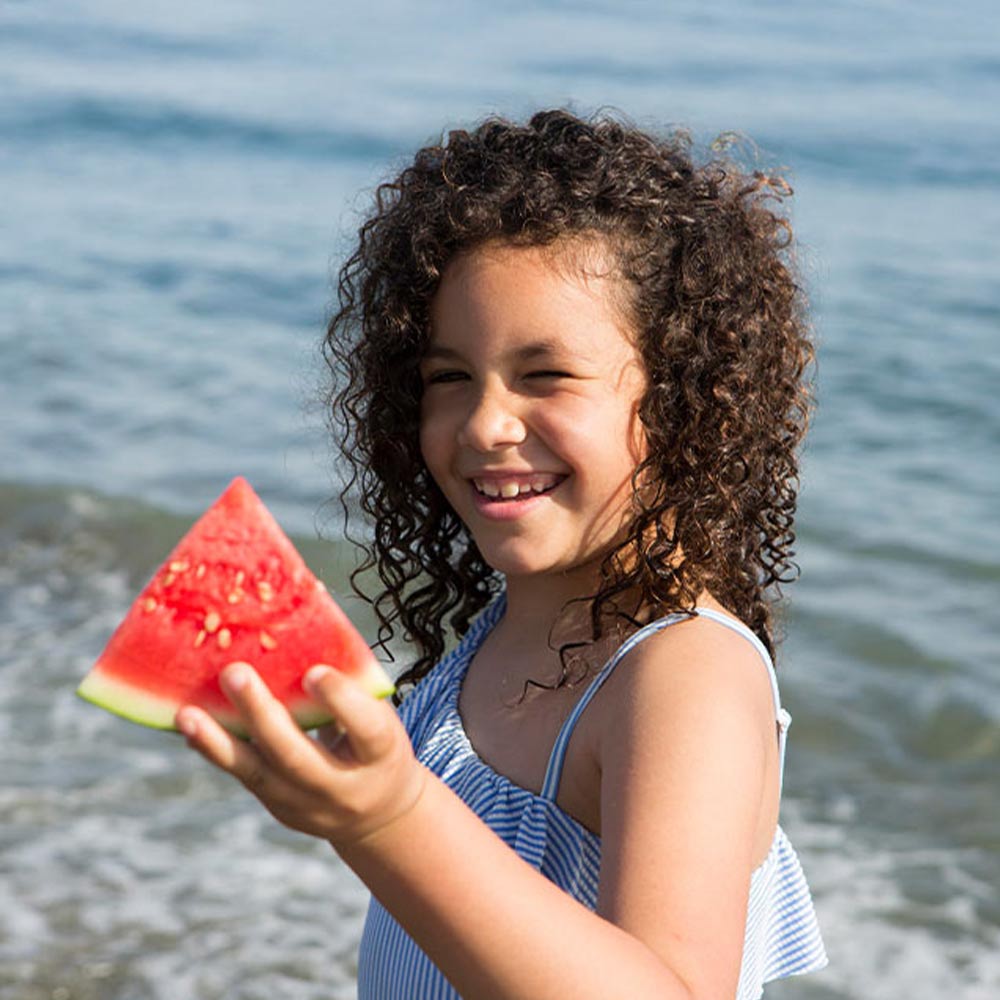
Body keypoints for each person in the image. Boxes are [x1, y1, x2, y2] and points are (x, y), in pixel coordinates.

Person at [175, 109, 828, 999]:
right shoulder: (493, 634)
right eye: (449, 378)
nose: (484, 423)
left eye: (546, 375)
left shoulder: (684, 673)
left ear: (685, 398)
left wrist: (387, 816)